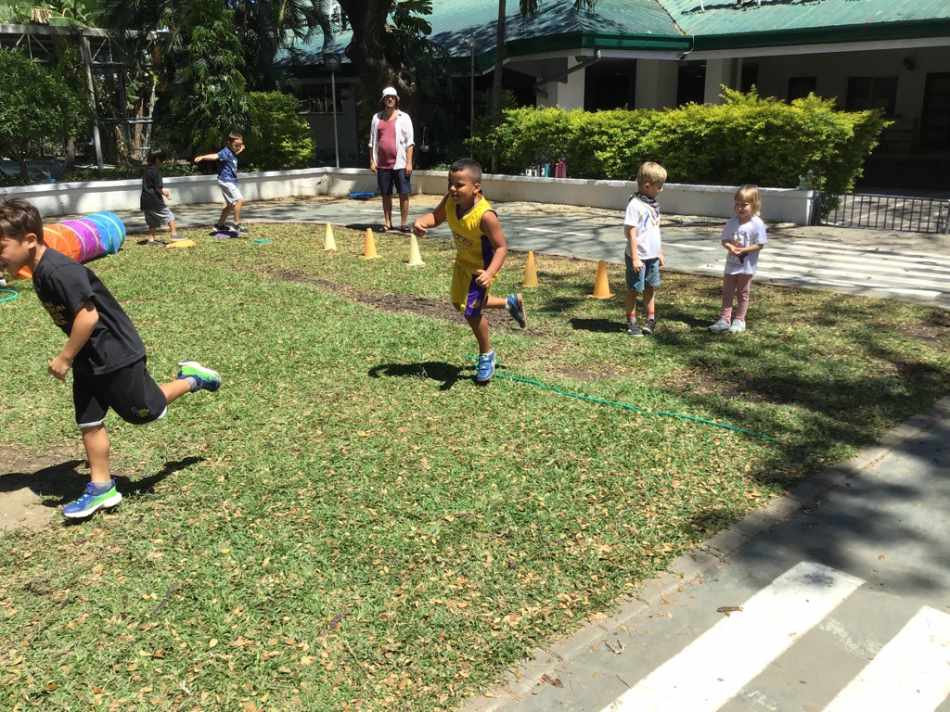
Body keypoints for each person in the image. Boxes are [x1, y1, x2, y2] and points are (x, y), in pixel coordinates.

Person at [0, 197, 221, 519]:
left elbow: (87, 318)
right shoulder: (37, 271)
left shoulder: (59, 271)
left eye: (1, 245)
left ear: (30, 240)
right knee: (89, 421)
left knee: (145, 412)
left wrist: (64, 357)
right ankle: (102, 488)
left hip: (115, 353)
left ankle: (193, 378)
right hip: (89, 357)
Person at [412, 158, 526, 385]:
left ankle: (486, 355)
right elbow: (436, 217)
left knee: (471, 313)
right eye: (450, 183)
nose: (453, 189)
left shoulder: (485, 216)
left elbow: (502, 247)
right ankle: (509, 303)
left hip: (481, 270)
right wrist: (421, 222)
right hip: (462, 264)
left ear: (476, 187)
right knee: (458, 303)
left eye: (459, 185)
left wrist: (490, 273)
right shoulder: (450, 202)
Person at [708, 185, 767, 334]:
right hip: (731, 266)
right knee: (727, 292)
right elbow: (724, 240)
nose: (740, 208)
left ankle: (740, 319)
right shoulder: (732, 222)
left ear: (754, 205)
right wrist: (730, 248)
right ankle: (724, 319)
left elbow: (760, 244)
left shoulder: (757, 224)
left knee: (742, 293)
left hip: (746, 267)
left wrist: (743, 250)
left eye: (744, 205)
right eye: (737, 204)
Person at [624, 162, 666, 336]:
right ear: (647, 185)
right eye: (659, 186)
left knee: (650, 287)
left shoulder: (653, 205)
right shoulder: (635, 205)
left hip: (652, 256)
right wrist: (635, 257)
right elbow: (631, 233)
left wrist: (659, 252)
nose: (661, 190)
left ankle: (650, 319)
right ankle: (631, 321)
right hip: (638, 257)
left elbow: (655, 230)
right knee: (634, 289)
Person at [368, 87, 415, 233]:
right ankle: (388, 223)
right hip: (382, 165)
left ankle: (403, 223)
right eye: (387, 97)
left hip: (400, 164)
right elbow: (372, 142)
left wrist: (409, 162)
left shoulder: (404, 117)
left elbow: (410, 142)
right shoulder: (376, 118)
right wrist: (372, 161)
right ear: (383, 100)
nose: (390, 99)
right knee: (386, 195)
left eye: (392, 97)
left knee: (403, 194)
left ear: (396, 100)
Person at [194, 131, 246, 234]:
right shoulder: (225, 152)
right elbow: (216, 156)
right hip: (226, 180)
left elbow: (233, 154)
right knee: (239, 200)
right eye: (236, 145)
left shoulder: (231, 152)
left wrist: (240, 150)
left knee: (230, 205)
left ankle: (219, 225)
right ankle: (237, 224)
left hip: (228, 180)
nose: (238, 147)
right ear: (229, 143)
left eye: (240, 145)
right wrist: (203, 157)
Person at [140, 149, 180, 245]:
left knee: (152, 222)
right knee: (170, 217)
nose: (163, 162)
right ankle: (174, 236)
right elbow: (158, 188)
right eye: (163, 159)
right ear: (157, 159)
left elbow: (151, 186)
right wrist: (166, 194)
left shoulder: (147, 170)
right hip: (155, 201)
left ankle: (151, 240)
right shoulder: (156, 171)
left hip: (145, 201)